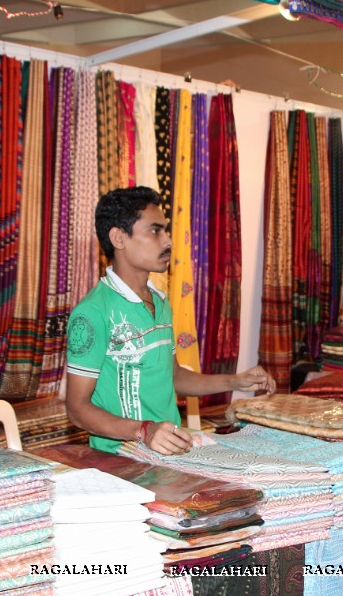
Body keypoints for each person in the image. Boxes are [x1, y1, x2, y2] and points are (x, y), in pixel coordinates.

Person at [65, 187, 275, 455]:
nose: (167, 241)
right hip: (120, 459)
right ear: (119, 237)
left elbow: (173, 376)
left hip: (171, 453)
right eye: (155, 231)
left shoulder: (160, 302)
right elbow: (77, 408)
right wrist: (144, 430)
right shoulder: (93, 313)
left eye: (165, 231)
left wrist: (234, 381)